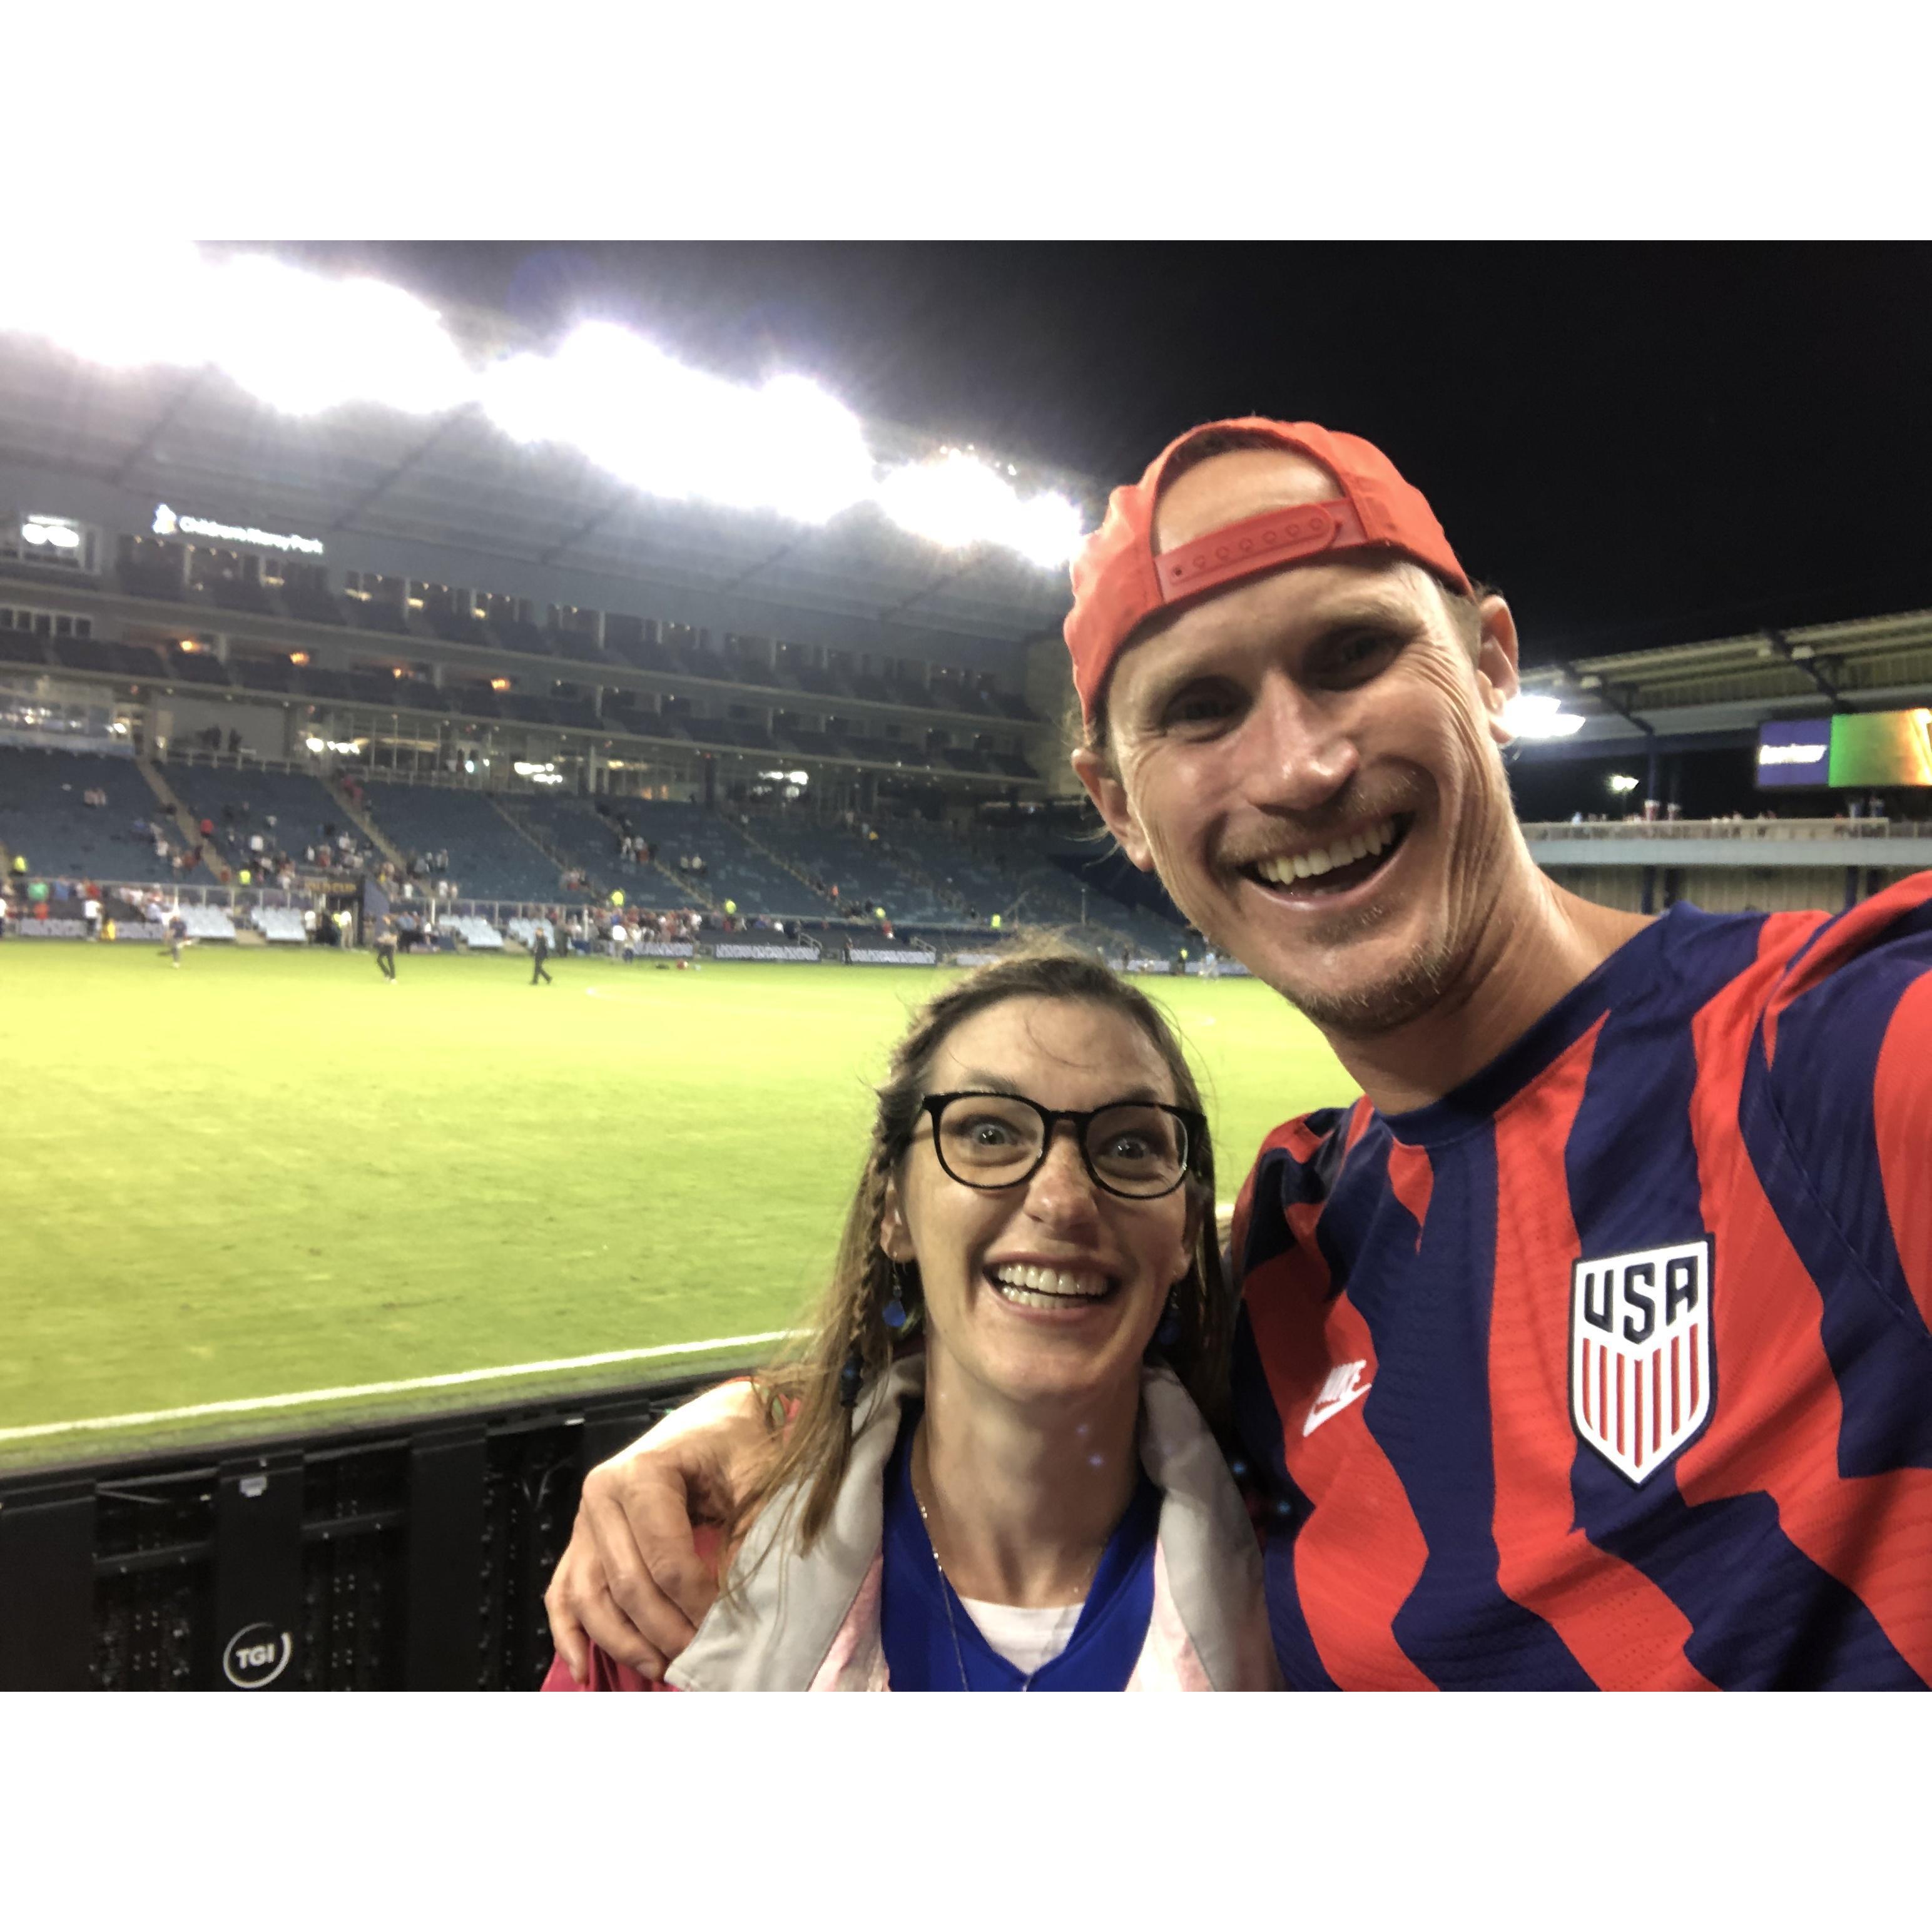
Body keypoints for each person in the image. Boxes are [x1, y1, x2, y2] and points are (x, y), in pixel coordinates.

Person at [545, 415, 1932, 1693]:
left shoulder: (1822, 1057)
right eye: (1198, 707)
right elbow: (1039, 1288)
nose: (1299, 765)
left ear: (1491, 666)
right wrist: (752, 1417)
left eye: (1352, 654)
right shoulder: (1295, 1231)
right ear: (1118, 805)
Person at [544, 949, 1274, 1692]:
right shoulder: (671, 1582)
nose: (1063, 1199)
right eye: (988, 1134)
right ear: (893, 1208)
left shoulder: (1312, 1581)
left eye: (1129, 1146)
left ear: (1185, 1229)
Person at [374, 913, 398, 982]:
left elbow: (394, 937)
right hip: (386, 945)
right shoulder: (386, 926)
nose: (383, 919)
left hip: (391, 946)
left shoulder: (392, 926)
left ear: (388, 919)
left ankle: (393, 978)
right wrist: (381, 939)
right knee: (379, 960)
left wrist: (384, 939)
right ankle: (387, 974)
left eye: (385, 918)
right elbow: (386, 935)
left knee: (390, 961)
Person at [531, 920, 553, 985]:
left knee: (538, 968)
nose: (536, 932)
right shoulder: (538, 938)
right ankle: (545, 979)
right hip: (537, 955)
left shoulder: (544, 939)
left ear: (541, 932)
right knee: (538, 968)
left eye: (538, 931)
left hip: (541, 956)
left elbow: (546, 948)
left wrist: (547, 956)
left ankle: (537, 981)